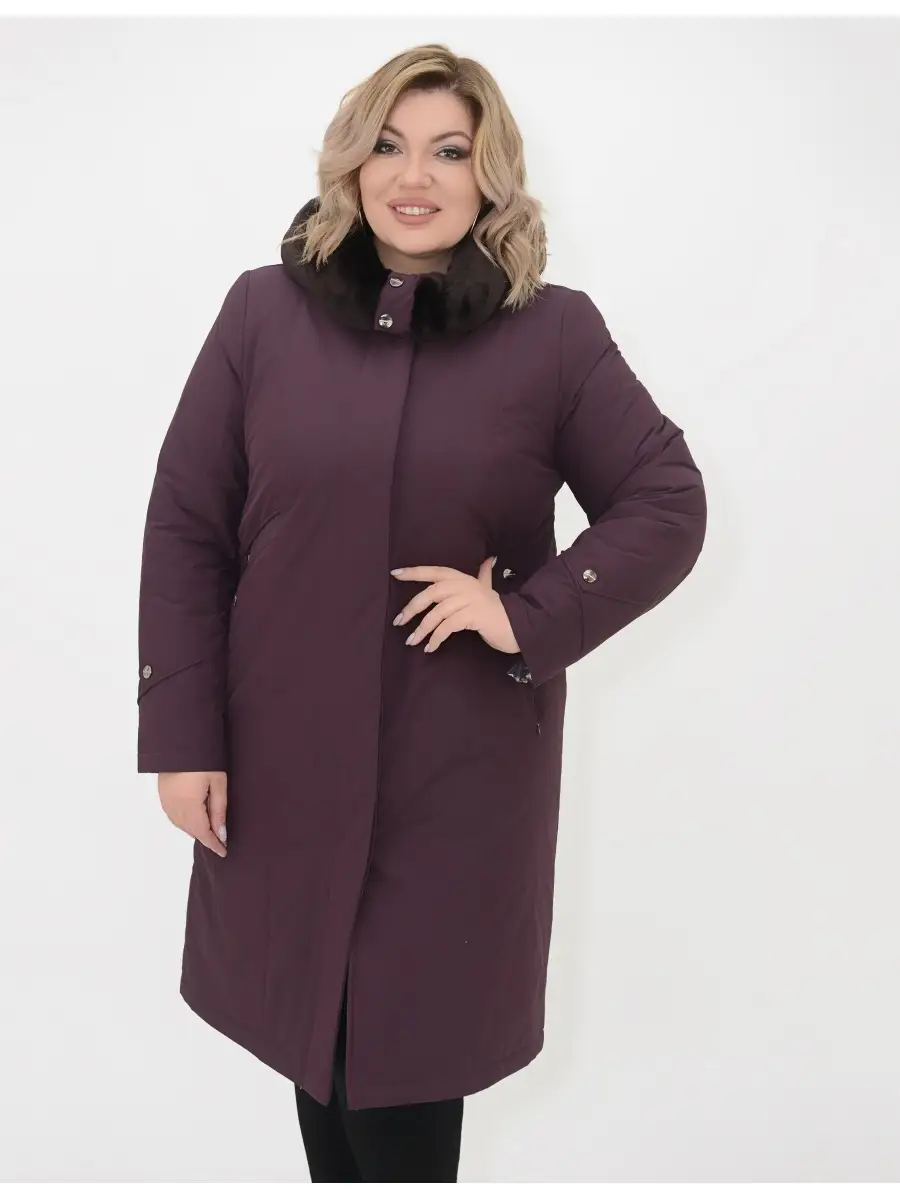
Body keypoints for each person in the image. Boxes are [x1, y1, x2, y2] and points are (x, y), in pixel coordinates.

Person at [136, 42, 707, 1183]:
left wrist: (526, 615)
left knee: (399, 1075)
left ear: (491, 175)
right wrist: (184, 737)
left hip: (456, 781)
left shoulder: (554, 333)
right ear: (349, 165)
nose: (415, 176)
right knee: (320, 1059)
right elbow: (189, 529)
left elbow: (667, 500)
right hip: (284, 767)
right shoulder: (262, 316)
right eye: (389, 146)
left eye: (450, 151)